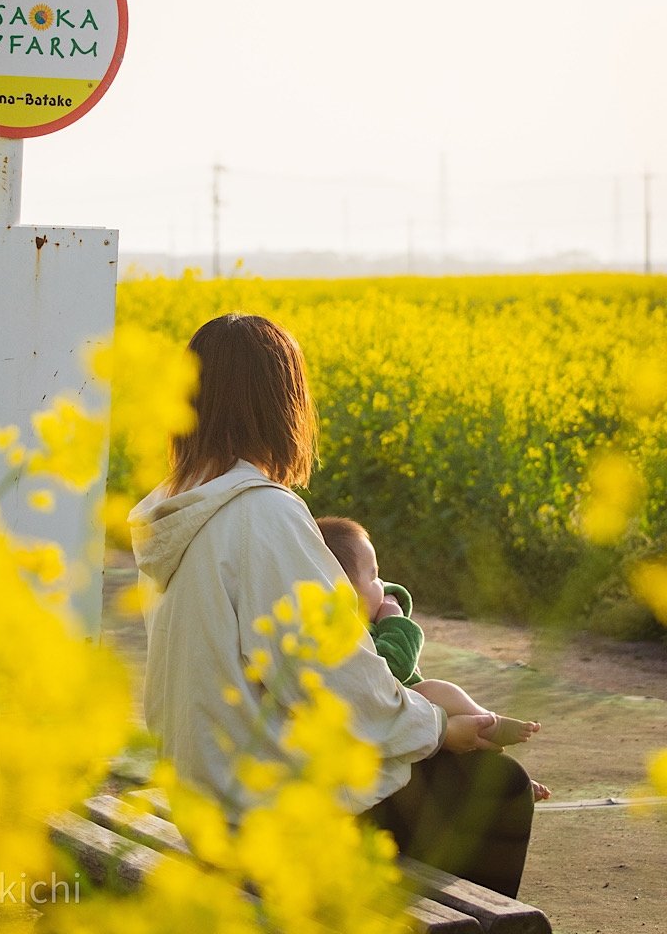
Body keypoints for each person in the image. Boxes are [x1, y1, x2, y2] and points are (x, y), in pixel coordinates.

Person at [130, 313, 535, 898]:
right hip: (265, 815)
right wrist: (438, 728)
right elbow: (331, 679)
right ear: (282, 403)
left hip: (203, 797)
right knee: (495, 788)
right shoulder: (261, 513)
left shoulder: (174, 512)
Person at [316, 515, 550, 802]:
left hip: (415, 724)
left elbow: (389, 594)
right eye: (374, 576)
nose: (384, 584)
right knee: (437, 692)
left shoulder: (365, 619)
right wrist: (394, 620)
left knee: (456, 737)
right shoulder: (349, 632)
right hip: (395, 717)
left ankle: (506, 766)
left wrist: (386, 603)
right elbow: (395, 667)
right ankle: (488, 724)